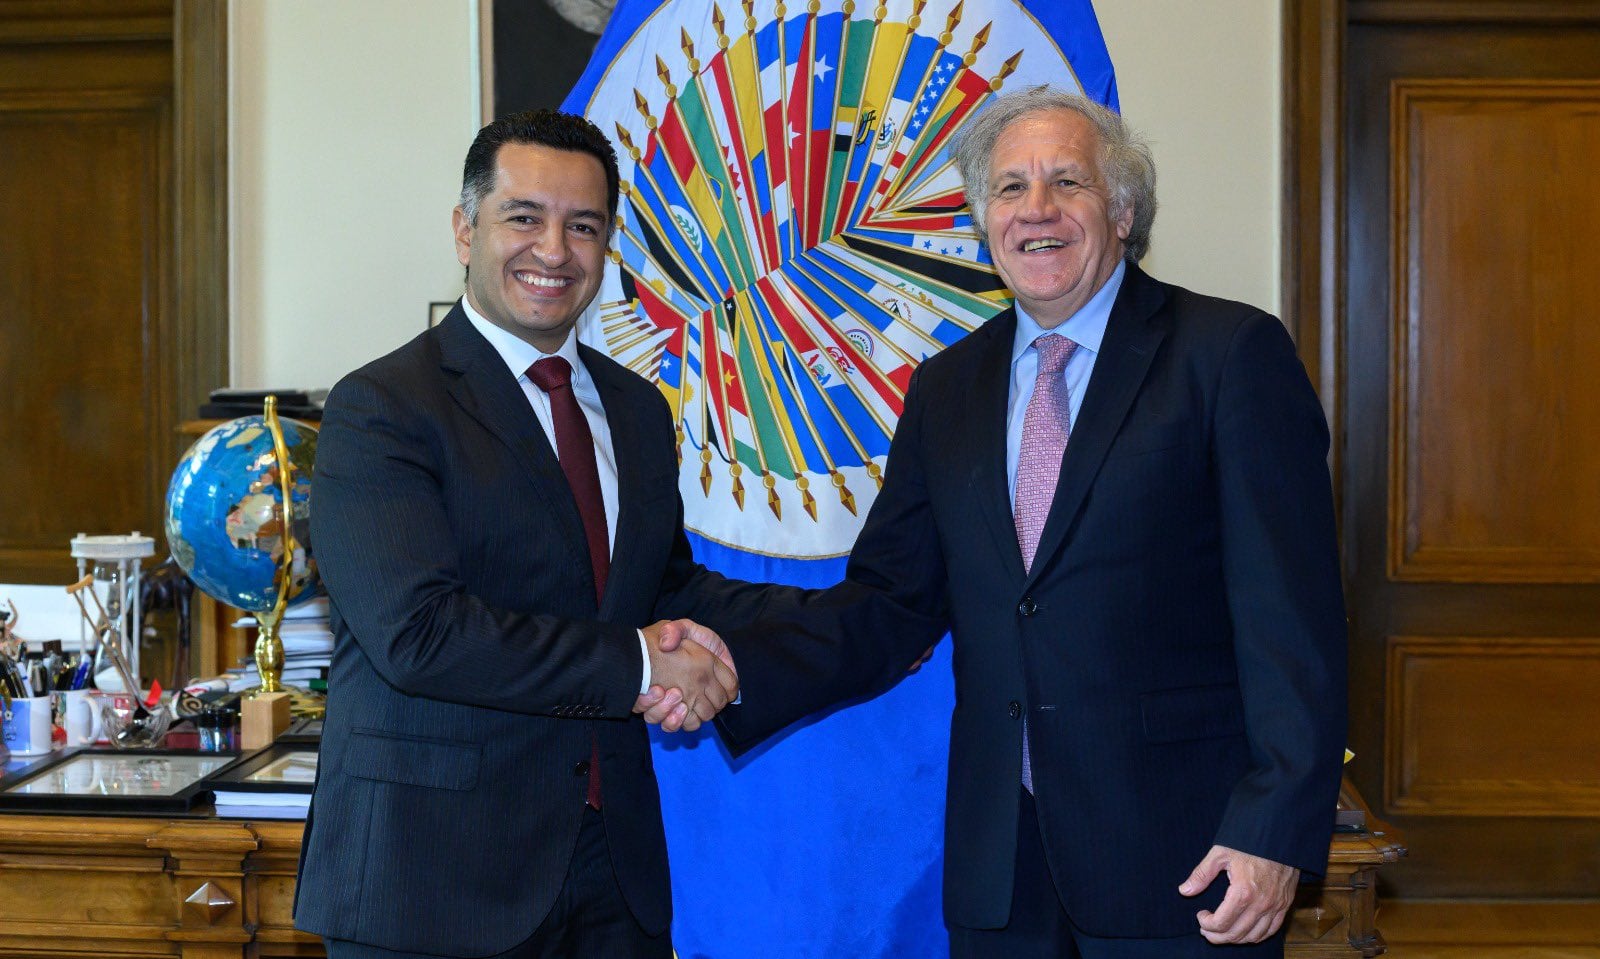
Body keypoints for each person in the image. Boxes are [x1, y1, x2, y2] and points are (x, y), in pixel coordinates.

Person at [643, 86, 1348, 957]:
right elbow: (892, 602)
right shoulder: (948, 387)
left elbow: (1294, 621)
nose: (1036, 209)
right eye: (1010, 188)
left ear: (1124, 212)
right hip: (1001, 870)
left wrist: (1274, 827)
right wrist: (733, 665)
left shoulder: (1228, 354)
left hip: (1186, 858)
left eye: (1068, 182)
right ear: (984, 221)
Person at [295, 109, 796, 959]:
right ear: (465, 231)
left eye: (584, 226)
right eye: (524, 217)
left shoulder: (636, 410)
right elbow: (420, 634)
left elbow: (665, 591)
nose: (555, 250)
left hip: (612, 875)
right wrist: (643, 664)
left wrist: (858, 621)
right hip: (432, 884)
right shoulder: (381, 407)